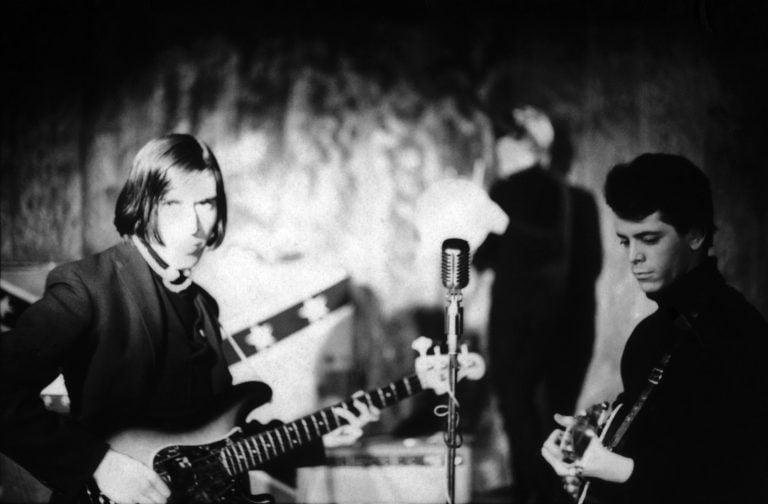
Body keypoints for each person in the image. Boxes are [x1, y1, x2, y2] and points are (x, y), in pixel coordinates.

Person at [0, 133, 377, 504]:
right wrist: (99, 465)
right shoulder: (87, 286)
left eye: (206, 204)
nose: (195, 226)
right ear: (144, 204)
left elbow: (217, 445)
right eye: (173, 204)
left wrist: (319, 435)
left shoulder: (202, 305)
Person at [541, 153, 768, 503]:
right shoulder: (649, 335)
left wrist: (614, 469)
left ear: (694, 235)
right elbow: (648, 437)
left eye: (649, 239)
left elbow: (735, 477)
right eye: (625, 241)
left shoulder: (739, 334)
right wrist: (584, 438)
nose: (633, 257)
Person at [474, 107, 602, 504]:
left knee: (518, 411)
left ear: (521, 144)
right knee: (554, 416)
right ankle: (551, 494)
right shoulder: (578, 199)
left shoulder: (507, 192)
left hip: (519, 325)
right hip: (570, 326)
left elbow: (482, 257)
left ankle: (535, 493)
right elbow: (590, 265)